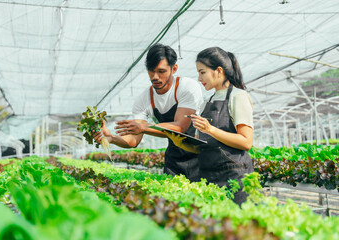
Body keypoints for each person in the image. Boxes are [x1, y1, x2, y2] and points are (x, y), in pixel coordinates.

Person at [93, 43, 203, 181]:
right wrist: (112, 138)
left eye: (161, 71)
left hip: (200, 158)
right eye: (151, 70)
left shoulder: (187, 87)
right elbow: (134, 140)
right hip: (174, 160)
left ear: (174, 68)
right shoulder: (144, 99)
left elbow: (180, 127)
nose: (155, 76)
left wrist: (144, 127)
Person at [166, 47, 254, 205]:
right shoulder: (209, 100)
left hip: (234, 178)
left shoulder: (238, 96)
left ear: (218, 70)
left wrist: (210, 129)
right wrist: (183, 144)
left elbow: (246, 142)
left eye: (202, 72)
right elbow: (207, 147)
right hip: (209, 176)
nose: (199, 78)